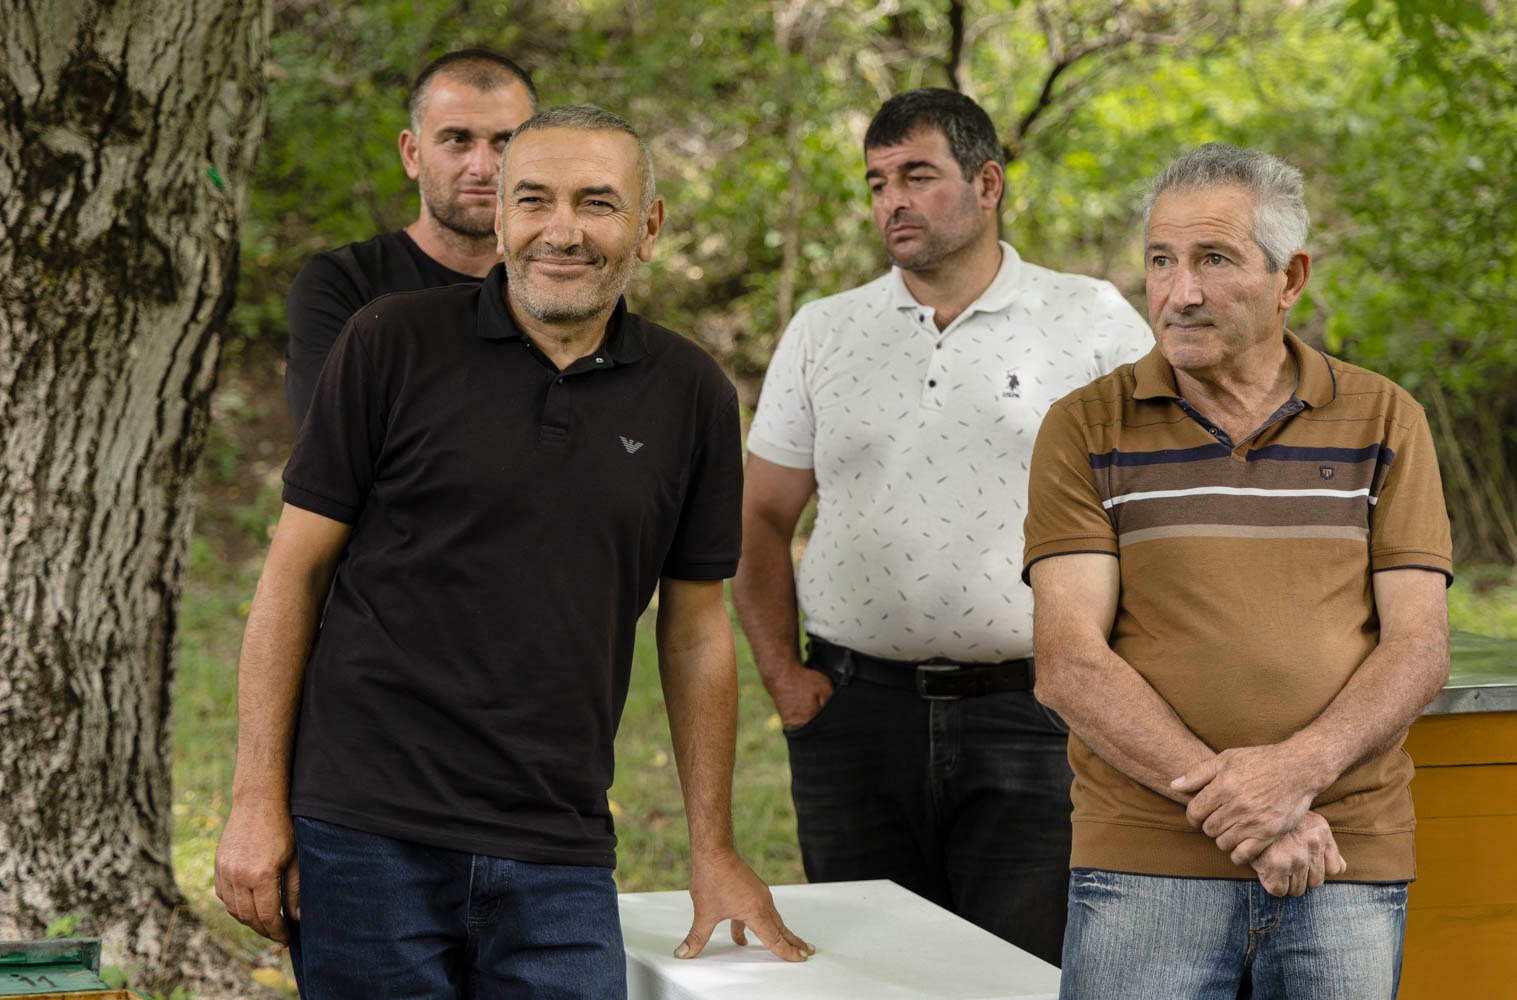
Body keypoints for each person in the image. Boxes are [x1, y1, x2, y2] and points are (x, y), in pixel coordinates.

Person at [215, 104, 812, 999]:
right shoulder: (389, 342)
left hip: (559, 842)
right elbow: (291, 576)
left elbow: (695, 632)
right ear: (499, 220)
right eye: (533, 201)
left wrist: (713, 848)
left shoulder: (690, 392)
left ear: (647, 227)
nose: (561, 231)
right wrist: (255, 802)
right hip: (366, 833)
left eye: (596, 203)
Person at [732, 88, 1151, 965]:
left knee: (1018, 973)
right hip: (852, 716)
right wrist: (785, 682)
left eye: (916, 176)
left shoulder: (1090, 321)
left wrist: (1107, 686)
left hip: (1036, 713)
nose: (892, 200)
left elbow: (1155, 519)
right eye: (876, 182)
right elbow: (759, 519)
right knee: (867, 975)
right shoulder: (824, 330)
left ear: (987, 183)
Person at [1023, 142, 1452, 998]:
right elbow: (1068, 664)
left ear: (1289, 278)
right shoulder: (1086, 426)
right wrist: (1252, 814)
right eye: (1160, 260)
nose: (1178, 293)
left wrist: (1291, 777)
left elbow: (1417, 648)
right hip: (1146, 862)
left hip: (1342, 854)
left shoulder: (1384, 418)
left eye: (1213, 260)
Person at [284, 48, 538, 425]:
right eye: (457, 139)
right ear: (411, 154)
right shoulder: (344, 285)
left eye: (506, 142)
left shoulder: (562, 280)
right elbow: (332, 439)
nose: (484, 167)